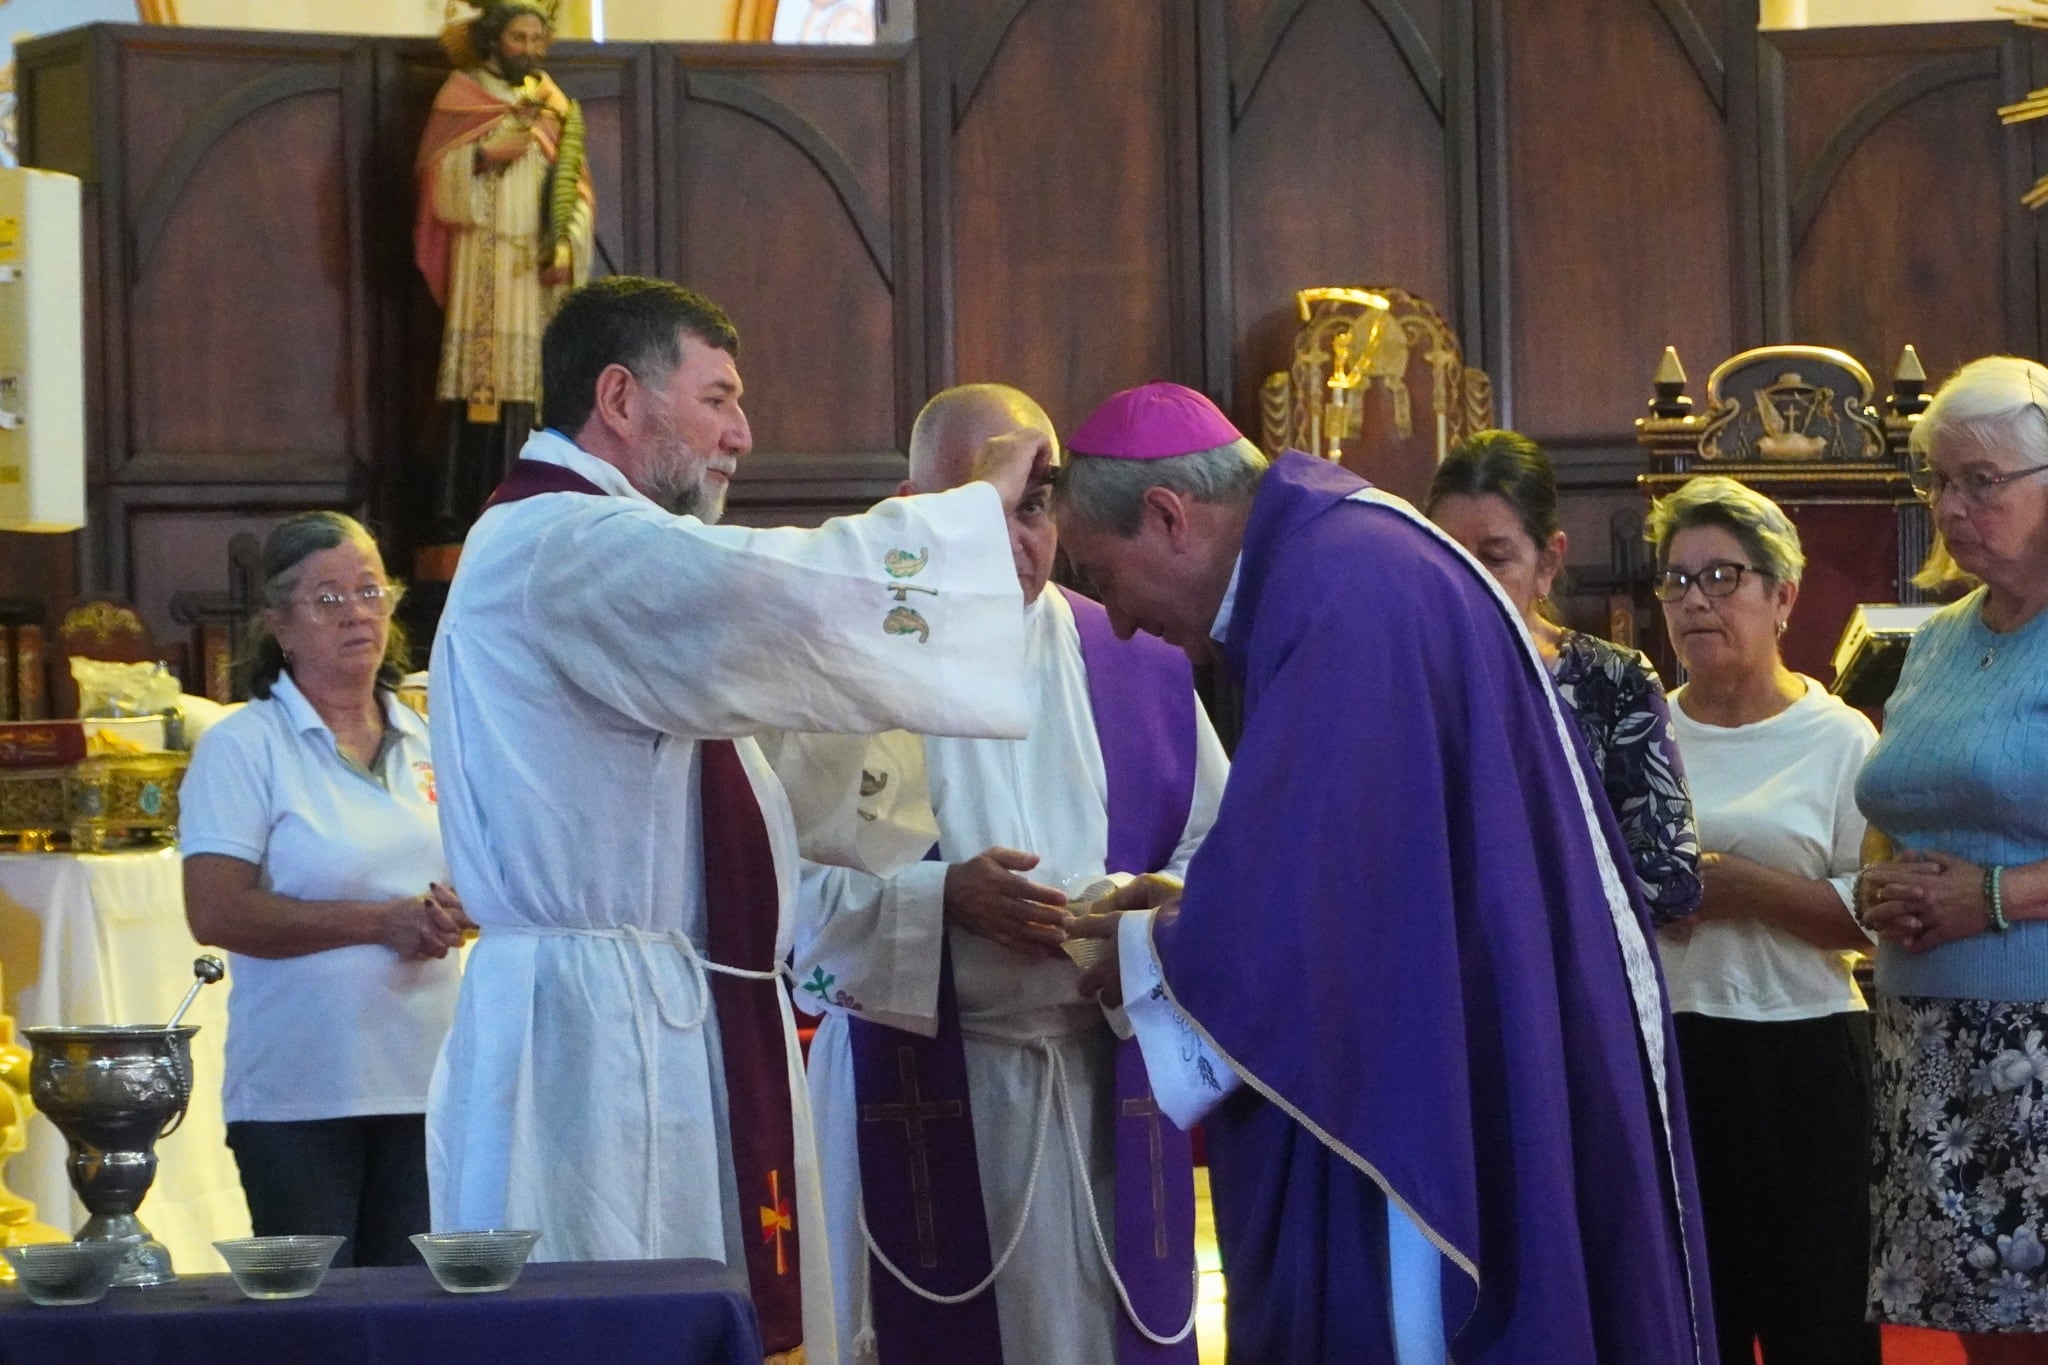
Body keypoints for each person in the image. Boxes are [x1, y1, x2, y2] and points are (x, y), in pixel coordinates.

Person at [426, 277, 1050, 1365]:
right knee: (622, 1322)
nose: (742, 433)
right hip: (598, 1043)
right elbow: (781, 589)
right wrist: (967, 521)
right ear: (619, 398)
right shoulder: (562, 543)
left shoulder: (593, 546)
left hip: (668, 1010)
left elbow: (783, 756)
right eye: (717, 398)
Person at [1054, 382, 1714, 1364]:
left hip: (1430, 1078)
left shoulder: (1341, 589)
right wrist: (1195, 909)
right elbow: (1364, 874)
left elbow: (1309, 914)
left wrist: (1142, 947)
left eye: (1103, 577)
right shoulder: (1341, 558)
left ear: (1165, 518)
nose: (1114, 622)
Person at [768, 384, 1227, 1365]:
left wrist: (1151, 920)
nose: (1015, 536)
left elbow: (1217, 859)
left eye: (1031, 505)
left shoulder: (1134, 660)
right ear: (911, 508)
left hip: (1100, 1088)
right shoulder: (847, 670)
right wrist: (942, 904)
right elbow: (787, 910)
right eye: (982, 506)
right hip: (924, 1093)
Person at [181, 512, 472, 1267]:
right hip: (301, 1094)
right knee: (317, 1326)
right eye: (329, 598)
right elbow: (215, 908)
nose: (359, 613)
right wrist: (382, 921)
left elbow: (481, 874)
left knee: (418, 1321)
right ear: (279, 623)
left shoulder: (433, 739)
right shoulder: (245, 745)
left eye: (371, 589)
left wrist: (460, 909)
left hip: (428, 1081)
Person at [1642, 476, 1880, 1365]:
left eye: (1722, 577)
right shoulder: (1641, 735)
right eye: (1676, 579)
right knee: (1691, 1320)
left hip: (1805, 1057)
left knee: (1817, 1325)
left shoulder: (1842, 738)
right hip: (1671, 1050)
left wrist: (1742, 886)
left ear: (1783, 596)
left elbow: (1878, 914)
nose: (1695, 600)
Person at [1856, 356, 2048, 1363]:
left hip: (2037, 1043)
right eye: (1938, 479)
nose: (1952, 505)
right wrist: (1878, 882)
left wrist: (1995, 896)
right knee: (1982, 1334)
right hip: (1928, 1039)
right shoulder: (1930, 643)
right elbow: (1902, 800)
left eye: (1981, 480)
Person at [1425, 429, 1701, 923]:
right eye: (1446, 555)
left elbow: (1668, 879)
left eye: (1494, 558)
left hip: (1571, 976)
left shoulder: (1615, 681)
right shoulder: (1405, 680)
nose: (1464, 581)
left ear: (1548, 561)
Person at [413, 0, 594, 545]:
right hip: (480, 263)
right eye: (519, 38)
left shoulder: (555, 104)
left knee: (531, 384)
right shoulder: (460, 95)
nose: (531, 50)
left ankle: (528, 494)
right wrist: (484, 155)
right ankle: (459, 505)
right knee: (477, 383)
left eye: (538, 39)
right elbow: (433, 185)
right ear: (493, 40)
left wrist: (566, 245)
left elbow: (576, 187)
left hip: (530, 267)